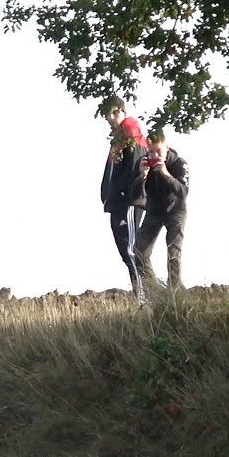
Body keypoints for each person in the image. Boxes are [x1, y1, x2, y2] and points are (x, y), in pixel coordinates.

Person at [99, 95, 149, 302]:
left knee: (131, 249)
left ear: (123, 111)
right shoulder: (118, 140)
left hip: (128, 202)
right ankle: (142, 296)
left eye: (114, 113)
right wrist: (106, 193)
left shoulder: (132, 135)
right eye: (107, 114)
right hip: (116, 202)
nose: (110, 118)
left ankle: (144, 298)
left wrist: (126, 194)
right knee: (125, 250)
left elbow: (135, 169)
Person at [133, 128, 190, 290]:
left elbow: (183, 192)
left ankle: (175, 290)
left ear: (166, 147)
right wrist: (141, 177)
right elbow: (134, 196)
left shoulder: (179, 163)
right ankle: (156, 291)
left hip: (176, 209)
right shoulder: (143, 164)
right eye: (151, 152)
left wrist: (166, 174)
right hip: (154, 210)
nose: (154, 156)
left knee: (173, 252)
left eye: (158, 151)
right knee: (139, 252)